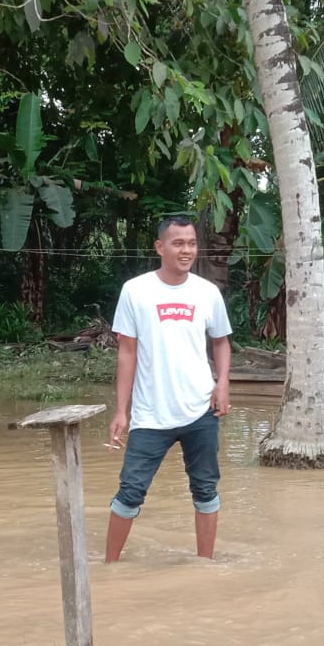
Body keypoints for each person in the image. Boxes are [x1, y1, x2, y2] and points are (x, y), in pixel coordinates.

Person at [105, 215, 233, 562]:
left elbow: (221, 342)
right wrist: (121, 410)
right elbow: (127, 352)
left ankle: (205, 565)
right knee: (130, 492)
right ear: (160, 247)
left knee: (205, 490)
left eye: (191, 243)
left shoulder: (207, 293)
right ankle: (109, 567)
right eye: (178, 243)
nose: (186, 250)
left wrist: (222, 384)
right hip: (150, 415)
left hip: (201, 410)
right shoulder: (136, 290)